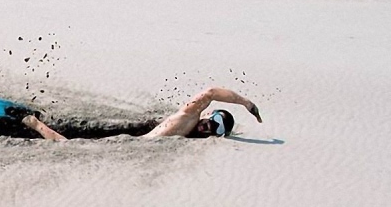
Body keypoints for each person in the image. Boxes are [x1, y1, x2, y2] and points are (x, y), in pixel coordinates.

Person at [14, 86, 262, 141]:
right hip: (128, 141)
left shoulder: (193, 136)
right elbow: (209, 92)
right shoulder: (188, 118)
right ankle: (31, 121)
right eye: (213, 122)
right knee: (68, 146)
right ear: (208, 116)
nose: (209, 128)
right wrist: (246, 103)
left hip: (130, 141)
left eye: (217, 131)